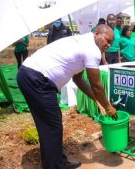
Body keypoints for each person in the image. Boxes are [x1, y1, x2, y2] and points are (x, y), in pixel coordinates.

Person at [17, 24, 117, 169]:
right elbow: (96, 85)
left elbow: (78, 79)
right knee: (51, 127)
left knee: (52, 124)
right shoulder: (92, 50)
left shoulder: (84, 42)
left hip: (31, 76)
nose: (108, 45)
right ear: (97, 34)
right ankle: (55, 166)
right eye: (107, 40)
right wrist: (108, 107)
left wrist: (96, 100)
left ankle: (59, 162)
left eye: (111, 43)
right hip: (37, 79)